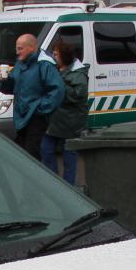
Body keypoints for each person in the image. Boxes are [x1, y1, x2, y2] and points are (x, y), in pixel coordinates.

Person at [0, 33, 64, 158]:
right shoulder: (20, 64)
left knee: (32, 155)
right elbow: (11, 88)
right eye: (17, 48)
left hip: (36, 117)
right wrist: (4, 81)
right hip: (21, 117)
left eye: (20, 48)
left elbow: (57, 90)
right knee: (22, 155)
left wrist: (39, 108)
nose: (17, 52)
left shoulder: (45, 64)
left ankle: (38, 177)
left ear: (31, 47)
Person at [40, 40, 89, 185]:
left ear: (64, 56)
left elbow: (76, 95)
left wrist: (58, 85)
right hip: (54, 122)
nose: (53, 57)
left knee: (69, 157)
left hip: (70, 123)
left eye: (56, 54)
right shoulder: (55, 70)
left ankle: (69, 187)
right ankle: (55, 182)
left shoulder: (78, 74)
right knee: (46, 150)